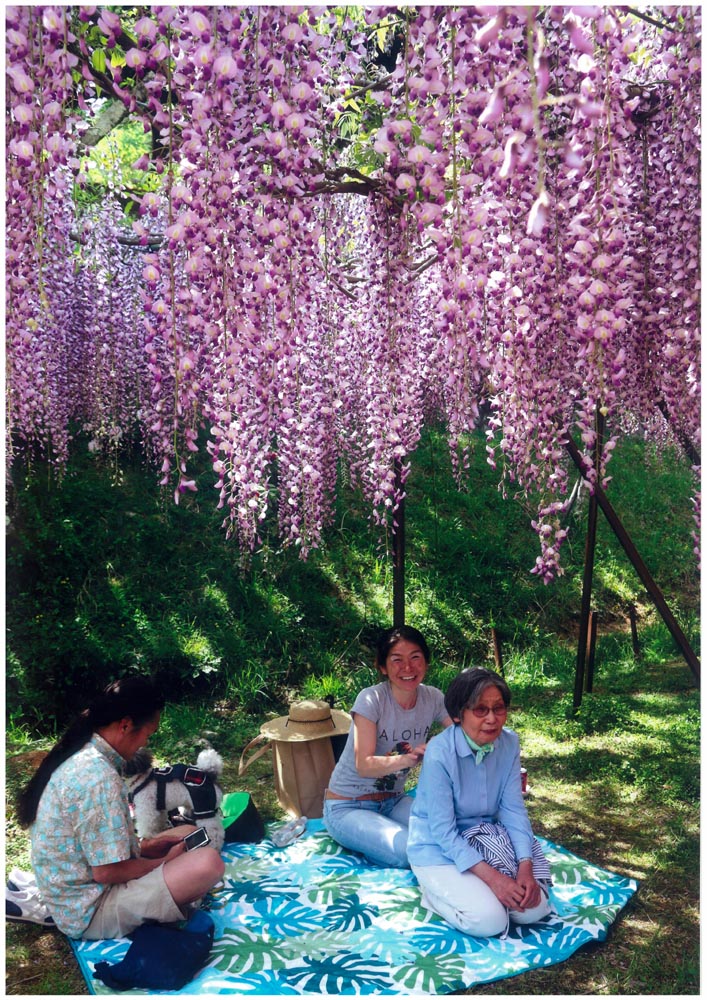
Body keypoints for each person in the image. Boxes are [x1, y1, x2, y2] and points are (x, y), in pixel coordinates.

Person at [15, 675, 225, 940]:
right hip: (91, 910)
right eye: (148, 734)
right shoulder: (99, 778)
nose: (145, 743)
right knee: (208, 863)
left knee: (182, 833)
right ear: (125, 725)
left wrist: (144, 848)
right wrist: (162, 862)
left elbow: (95, 847)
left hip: (78, 893)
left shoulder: (84, 755)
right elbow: (106, 872)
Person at [407, 667, 552, 937]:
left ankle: (481, 892)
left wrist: (525, 867)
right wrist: (495, 880)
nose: (492, 719)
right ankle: (430, 892)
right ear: (459, 714)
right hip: (438, 849)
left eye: (499, 708)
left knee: (533, 909)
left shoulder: (509, 743)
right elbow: (443, 832)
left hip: (487, 840)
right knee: (490, 922)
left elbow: (512, 810)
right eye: (480, 710)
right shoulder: (440, 752)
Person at [323, 625, 452, 868]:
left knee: (444, 836)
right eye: (397, 660)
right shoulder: (371, 699)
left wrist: (444, 742)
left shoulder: (433, 697)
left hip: (393, 800)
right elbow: (364, 765)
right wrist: (411, 757)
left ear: (426, 662)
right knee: (408, 852)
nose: (408, 668)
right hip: (348, 806)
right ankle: (371, 849)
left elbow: (461, 730)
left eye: (415, 658)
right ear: (382, 667)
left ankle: (376, 847)